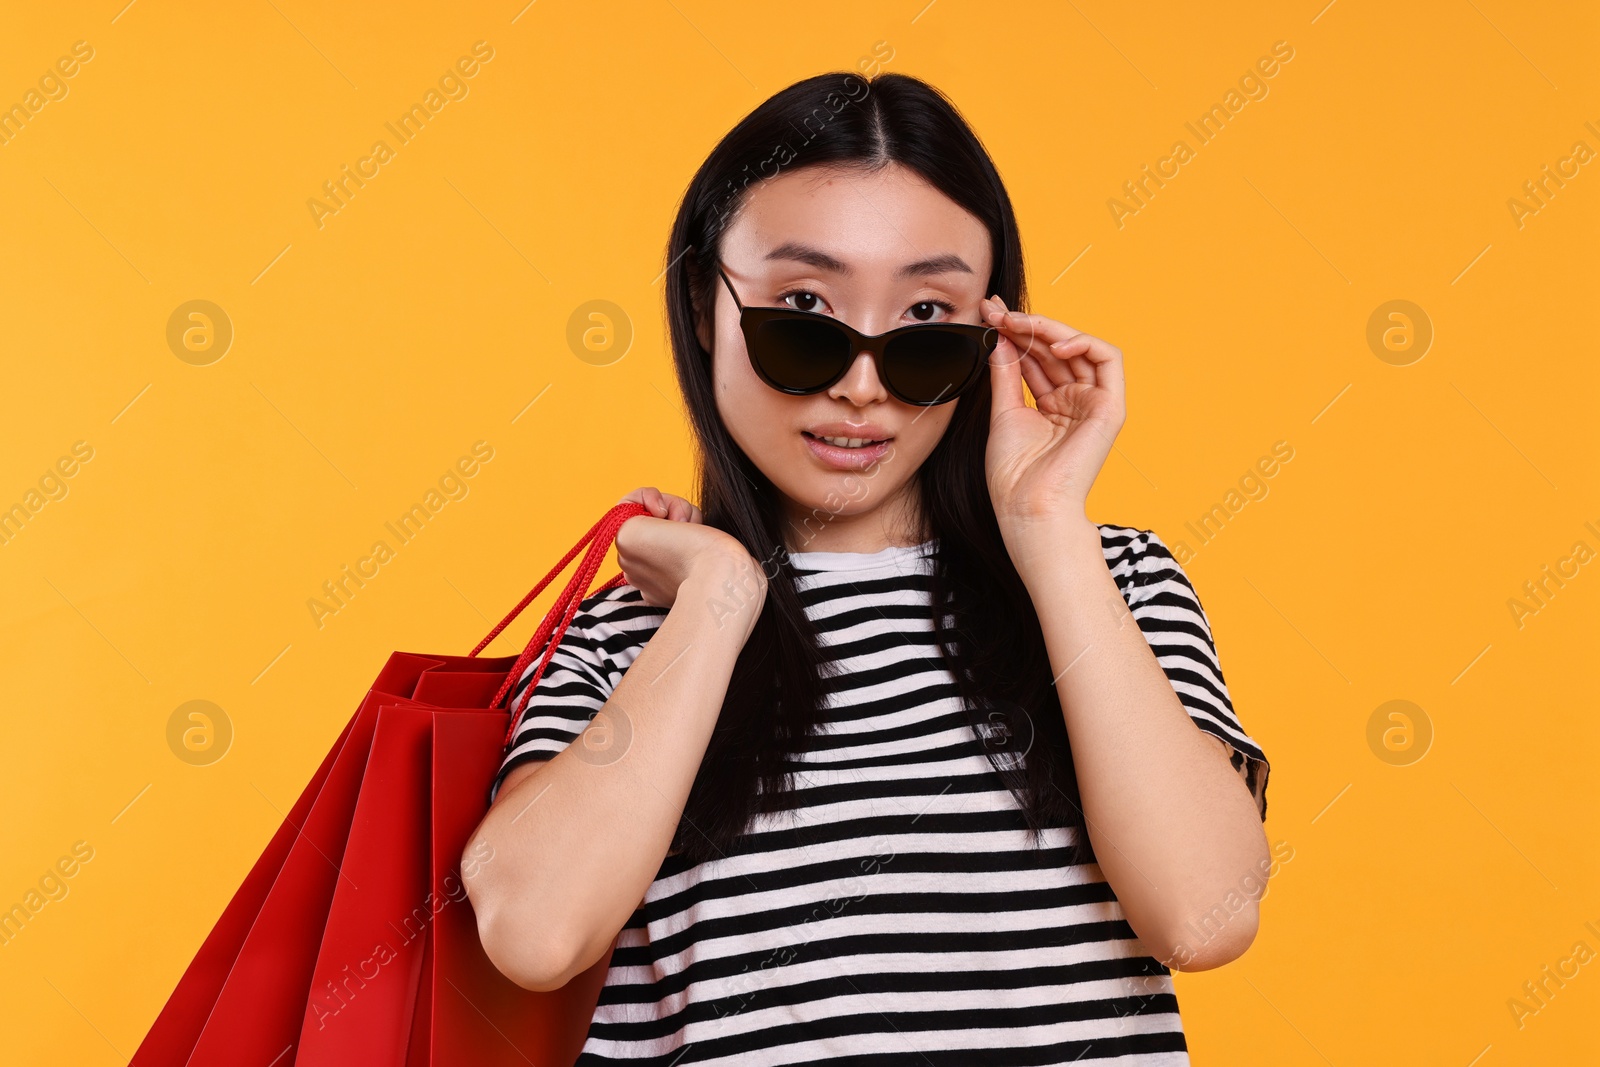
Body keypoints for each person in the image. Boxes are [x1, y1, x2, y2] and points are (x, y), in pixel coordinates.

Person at [463, 69, 1271, 1065]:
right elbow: (536, 934)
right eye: (803, 305)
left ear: (995, 334)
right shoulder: (628, 636)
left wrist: (1048, 522)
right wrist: (718, 602)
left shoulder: (1113, 583)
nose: (860, 383)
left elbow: (1207, 915)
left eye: (926, 323)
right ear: (705, 306)